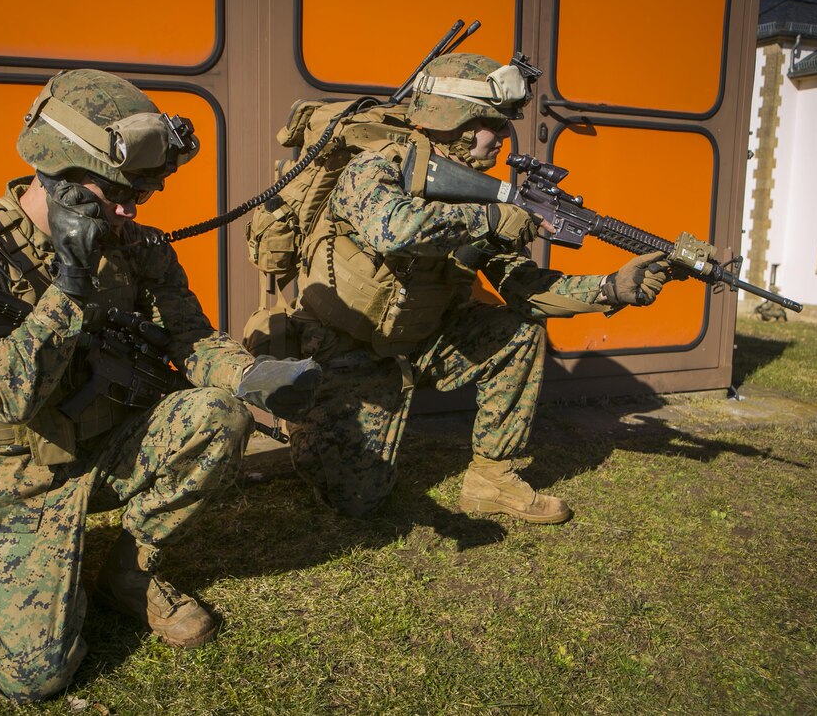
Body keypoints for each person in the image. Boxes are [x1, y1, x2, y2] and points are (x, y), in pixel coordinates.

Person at [0, 69, 320, 703]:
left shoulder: (137, 245)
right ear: (60, 177)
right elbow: (4, 395)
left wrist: (253, 377)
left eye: (142, 193)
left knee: (218, 414)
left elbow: (189, 337)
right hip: (12, 475)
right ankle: (18, 563)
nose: (130, 210)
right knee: (32, 679)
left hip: (104, 445)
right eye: (116, 193)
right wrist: (68, 284)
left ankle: (129, 574)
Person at [288, 53, 673, 523]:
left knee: (519, 332)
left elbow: (523, 287)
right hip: (346, 346)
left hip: (421, 339)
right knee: (358, 502)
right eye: (497, 124)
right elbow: (393, 228)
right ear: (460, 121)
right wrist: (490, 218)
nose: (506, 137)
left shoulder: (480, 193)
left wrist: (611, 288)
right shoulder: (374, 167)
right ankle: (308, 413)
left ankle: (491, 481)